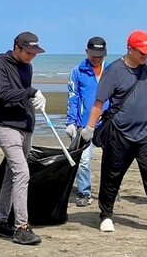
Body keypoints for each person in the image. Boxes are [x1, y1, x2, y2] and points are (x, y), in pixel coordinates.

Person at [80, 30, 147, 233]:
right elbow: (99, 102)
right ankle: (106, 216)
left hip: (146, 132)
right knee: (112, 176)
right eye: (142, 51)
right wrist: (90, 128)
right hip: (119, 134)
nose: (146, 55)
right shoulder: (114, 71)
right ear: (130, 49)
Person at [0, 31, 46, 246]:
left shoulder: (27, 67)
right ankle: (22, 227)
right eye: (29, 52)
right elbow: (3, 94)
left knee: (11, 174)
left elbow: (23, 94)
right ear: (17, 48)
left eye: (35, 53)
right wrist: (32, 92)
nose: (32, 56)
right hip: (5, 126)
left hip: (25, 126)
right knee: (22, 172)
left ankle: (0, 221)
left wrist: (33, 101)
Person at [65, 37, 109, 207]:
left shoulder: (111, 70)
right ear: (86, 52)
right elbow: (73, 97)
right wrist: (70, 122)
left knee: (112, 160)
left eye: (100, 55)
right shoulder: (78, 71)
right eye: (93, 55)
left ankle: (110, 191)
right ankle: (84, 192)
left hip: (107, 124)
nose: (96, 58)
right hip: (84, 124)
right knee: (83, 160)